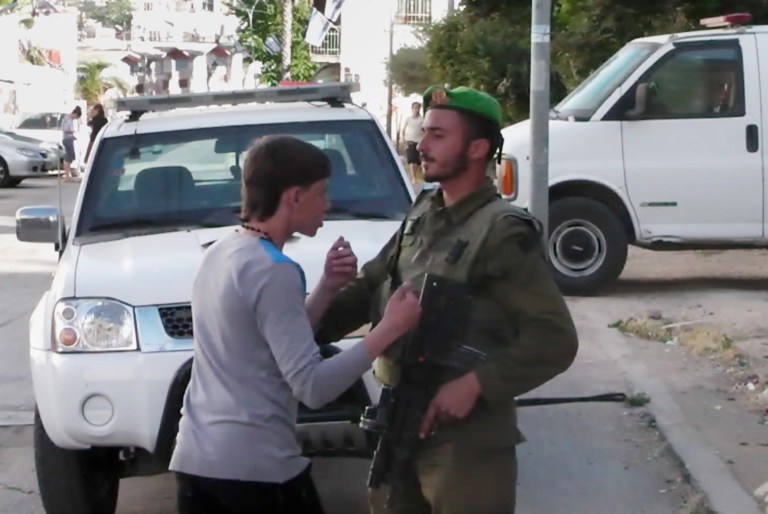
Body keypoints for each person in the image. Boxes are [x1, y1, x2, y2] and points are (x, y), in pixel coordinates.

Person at [315, 85, 580, 514]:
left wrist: (476, 384)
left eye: (438, 135)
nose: (421, 145)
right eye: (424, 133)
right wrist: (303, 322)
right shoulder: (422, 212)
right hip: (401, 418)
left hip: (465, 443)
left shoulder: (501, 231)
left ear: (477, 148)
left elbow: (554, 339)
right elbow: (370, 286)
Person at [168, 135, 422, 514]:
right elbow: (312, 387)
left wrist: (326, 289)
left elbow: (267, 343)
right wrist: (388, 330)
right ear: (294, 197)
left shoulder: (223, 252)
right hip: (257, 472)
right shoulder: (276, 270)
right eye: (321, 192)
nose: (328, 203)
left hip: (197, 460)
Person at [400, 101, 423, 183]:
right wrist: (404, 141)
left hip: (419, 142)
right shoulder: (408, 119)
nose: (416, 110)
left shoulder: (422, 119)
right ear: (412, 109)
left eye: (418, 108)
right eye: (415, 108)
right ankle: (413, 178)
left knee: (417, 161)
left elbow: (425, 130)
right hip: (409, 141)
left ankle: (415, 176)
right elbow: (403, 130)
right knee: (411, 160)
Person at [61, 105, 82, 181]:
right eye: (76, 117)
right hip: (67, 139)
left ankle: (67, 174)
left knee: (70, 156)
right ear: (75, 114)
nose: (75, 119)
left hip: (69, 138)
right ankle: (67, 175)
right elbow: (66, 129)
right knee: (69, 156)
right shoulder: (68, 119)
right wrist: (72, 131)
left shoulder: (68, 119)